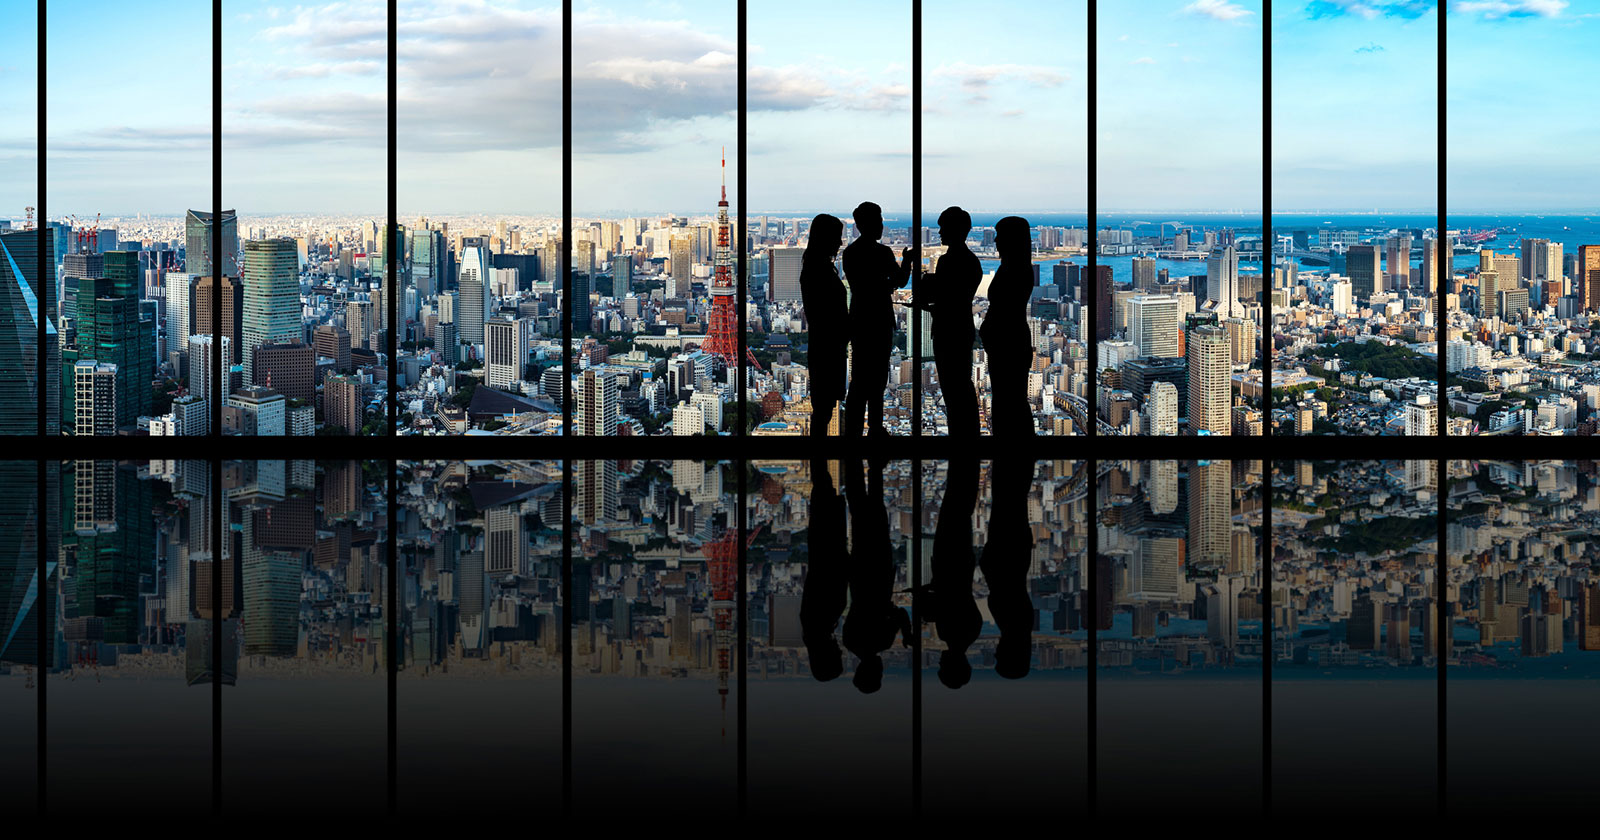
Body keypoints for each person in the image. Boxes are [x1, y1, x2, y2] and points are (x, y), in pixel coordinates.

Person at [843, 202, 912, 437]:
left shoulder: (850, 253)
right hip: (880, 320)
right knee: (878, 376)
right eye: (879, 221)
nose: (882, 225)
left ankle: (853, 429)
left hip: (860, 319)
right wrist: (907, 262)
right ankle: (874, 426)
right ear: (868, 224)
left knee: (860, 376)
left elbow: (862, 286)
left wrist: (884, 284)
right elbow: (901, 281)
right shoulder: (882, 253)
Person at [914, 206, 981, 437]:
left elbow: (942, 297)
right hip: (962, 328)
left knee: (953, 388)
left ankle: (959, 436)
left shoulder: (948, 261)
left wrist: (927, 300)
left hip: (946, 330)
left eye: (943, 228)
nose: (940, 233)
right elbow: (957, 298)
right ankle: (967, 435)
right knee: (962, 385)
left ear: (956, 229)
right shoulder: (973, 261)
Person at [982, 216, 1036, 438]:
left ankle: (1012, 451)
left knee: (1009, 400)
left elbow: (1004, 309)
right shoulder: (1016, 268)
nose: (995, 240)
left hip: (1008, 343)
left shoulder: (1014, 270)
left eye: (1000, 235)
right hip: (1009, 341)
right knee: (1010, 400)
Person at [799, 458, 848, 682]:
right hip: (823, 544)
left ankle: (819, 430)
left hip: (828, 545)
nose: (840, 651)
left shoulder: (820, 622)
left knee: (823, 482)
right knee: (823, 483)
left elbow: (829, 577)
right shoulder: (815, 627)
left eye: (836, 656)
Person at [799, 214, 846, 436]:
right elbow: (824, 313)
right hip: (827, 345)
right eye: (837, 237)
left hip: (825, 344)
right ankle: (819, 462)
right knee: (824, 409)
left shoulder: (814, 268)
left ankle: (819, 463)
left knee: (824, 408)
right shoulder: (818, 271)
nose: (839, 243)